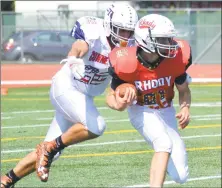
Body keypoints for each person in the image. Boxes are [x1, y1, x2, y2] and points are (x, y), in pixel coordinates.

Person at [1, 4, 138, 187]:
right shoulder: (94, 32)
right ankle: (48, 148)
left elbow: (110, 96)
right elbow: (79, 46)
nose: (125, 36)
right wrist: (74, 59)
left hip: (83, 96)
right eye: (121, 30)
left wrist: (120, 104)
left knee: (53, 151)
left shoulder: (127, 51)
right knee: (96, 126)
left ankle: (7, 180)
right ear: (108, 24)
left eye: (129, 32)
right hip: (66, 86)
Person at [106, 14, 192, 187]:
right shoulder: (126, 62)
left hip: (166, 110)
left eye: (169, 39)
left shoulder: (175, 59)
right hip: (141, 109)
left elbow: (184, 90)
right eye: (163, 39)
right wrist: (119, 104)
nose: (169, 44)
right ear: (145, 39)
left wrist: (185, 107)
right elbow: (110, 95)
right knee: (163, 143)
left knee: (181, 176)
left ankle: (163, 164)